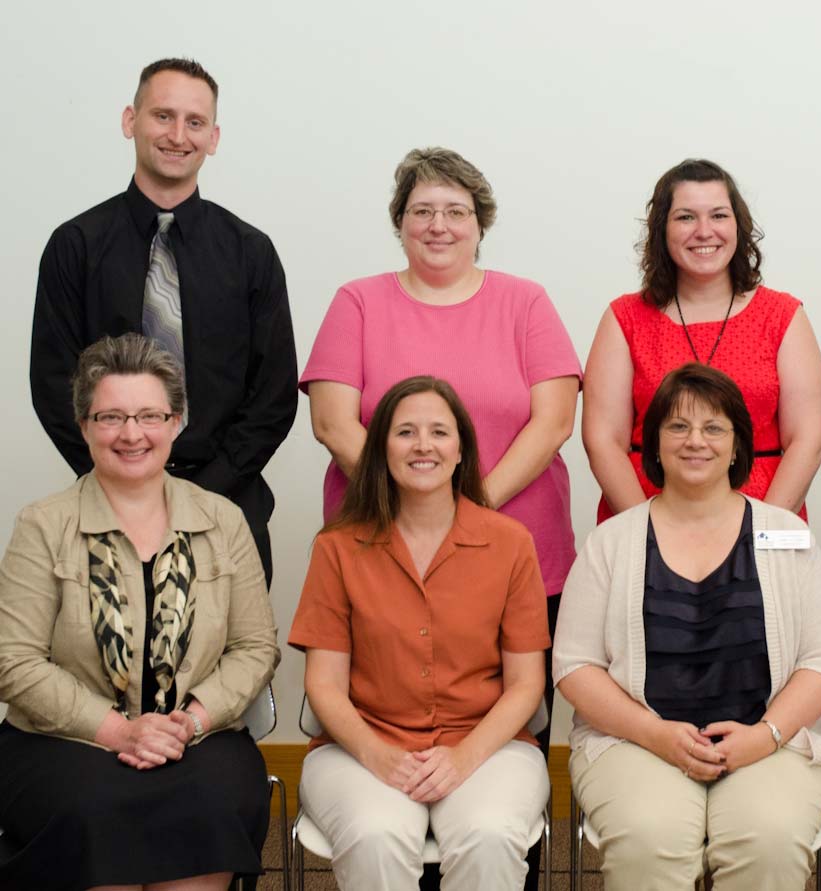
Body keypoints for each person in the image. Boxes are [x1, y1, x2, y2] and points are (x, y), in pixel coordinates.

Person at [299, 147, 579, 885]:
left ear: (481, 224)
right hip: (377, 551)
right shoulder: (358, 302)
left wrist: (462, 509)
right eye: (422, 210)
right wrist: (410, 501)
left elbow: (553, 421)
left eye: (456, 211)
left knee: (495, 789)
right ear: (399, 223)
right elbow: (332, 421)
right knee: (383, 817)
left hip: (518, 555)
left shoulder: (525, 302)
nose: (439, 225)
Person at [0, 333, 280, 891]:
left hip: (197, 736)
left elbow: (255, 648)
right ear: (84, 426)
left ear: (176, 423)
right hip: (65, 742)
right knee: (93, 808)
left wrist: (189, 722)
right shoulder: (43, 525)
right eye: (111, 417)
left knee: (211, 802)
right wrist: (119, 732)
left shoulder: (224, 520)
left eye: (150, 415)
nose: (132, 434)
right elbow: (15, 662)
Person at [555, 363, 821, 889]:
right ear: (654, 443)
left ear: (737, 446)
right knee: (649, 840)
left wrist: (765, 736)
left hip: (772, 740)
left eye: (714, 427)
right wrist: (653, 733)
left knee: (768, 840)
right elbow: (575, 666)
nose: (696, 441)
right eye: (678, 426)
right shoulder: (611, 542)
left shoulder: (784, 534)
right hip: (636, 741)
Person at [30, 58, 298, 582]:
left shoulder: (251, 253)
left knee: (237, 640)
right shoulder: (75, 246)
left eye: (194, 122)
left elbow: (273, 396)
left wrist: (202, 494)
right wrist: (125, 481)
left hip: (228, 510)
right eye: (163, 116)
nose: (178, 135)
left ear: (213, 138)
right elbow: (54, 384)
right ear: (130, 120)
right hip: (107, 510)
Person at [289, 376, 551, 891]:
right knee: (375, 836)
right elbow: (323, 685)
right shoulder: (337, 547)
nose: (423, 445)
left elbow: (526, 684)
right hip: (361, 747)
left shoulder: (511, 543)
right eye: (405, 432)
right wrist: (379, 755)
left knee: (489, 835)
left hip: (487, 746)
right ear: (381, 449)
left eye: (439, 432)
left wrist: (463, 758)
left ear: (461, 449)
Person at [582, 158, 821, 523]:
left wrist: (760, 532)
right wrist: (648, 533)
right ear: (662, 229)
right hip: (643, 513)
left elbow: (809, 439)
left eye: (718, 216)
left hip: (767, 512)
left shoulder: (783, 315)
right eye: (685, 217)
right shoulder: (624, 318)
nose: (704, 231)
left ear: (738, 225)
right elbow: (603, 441)